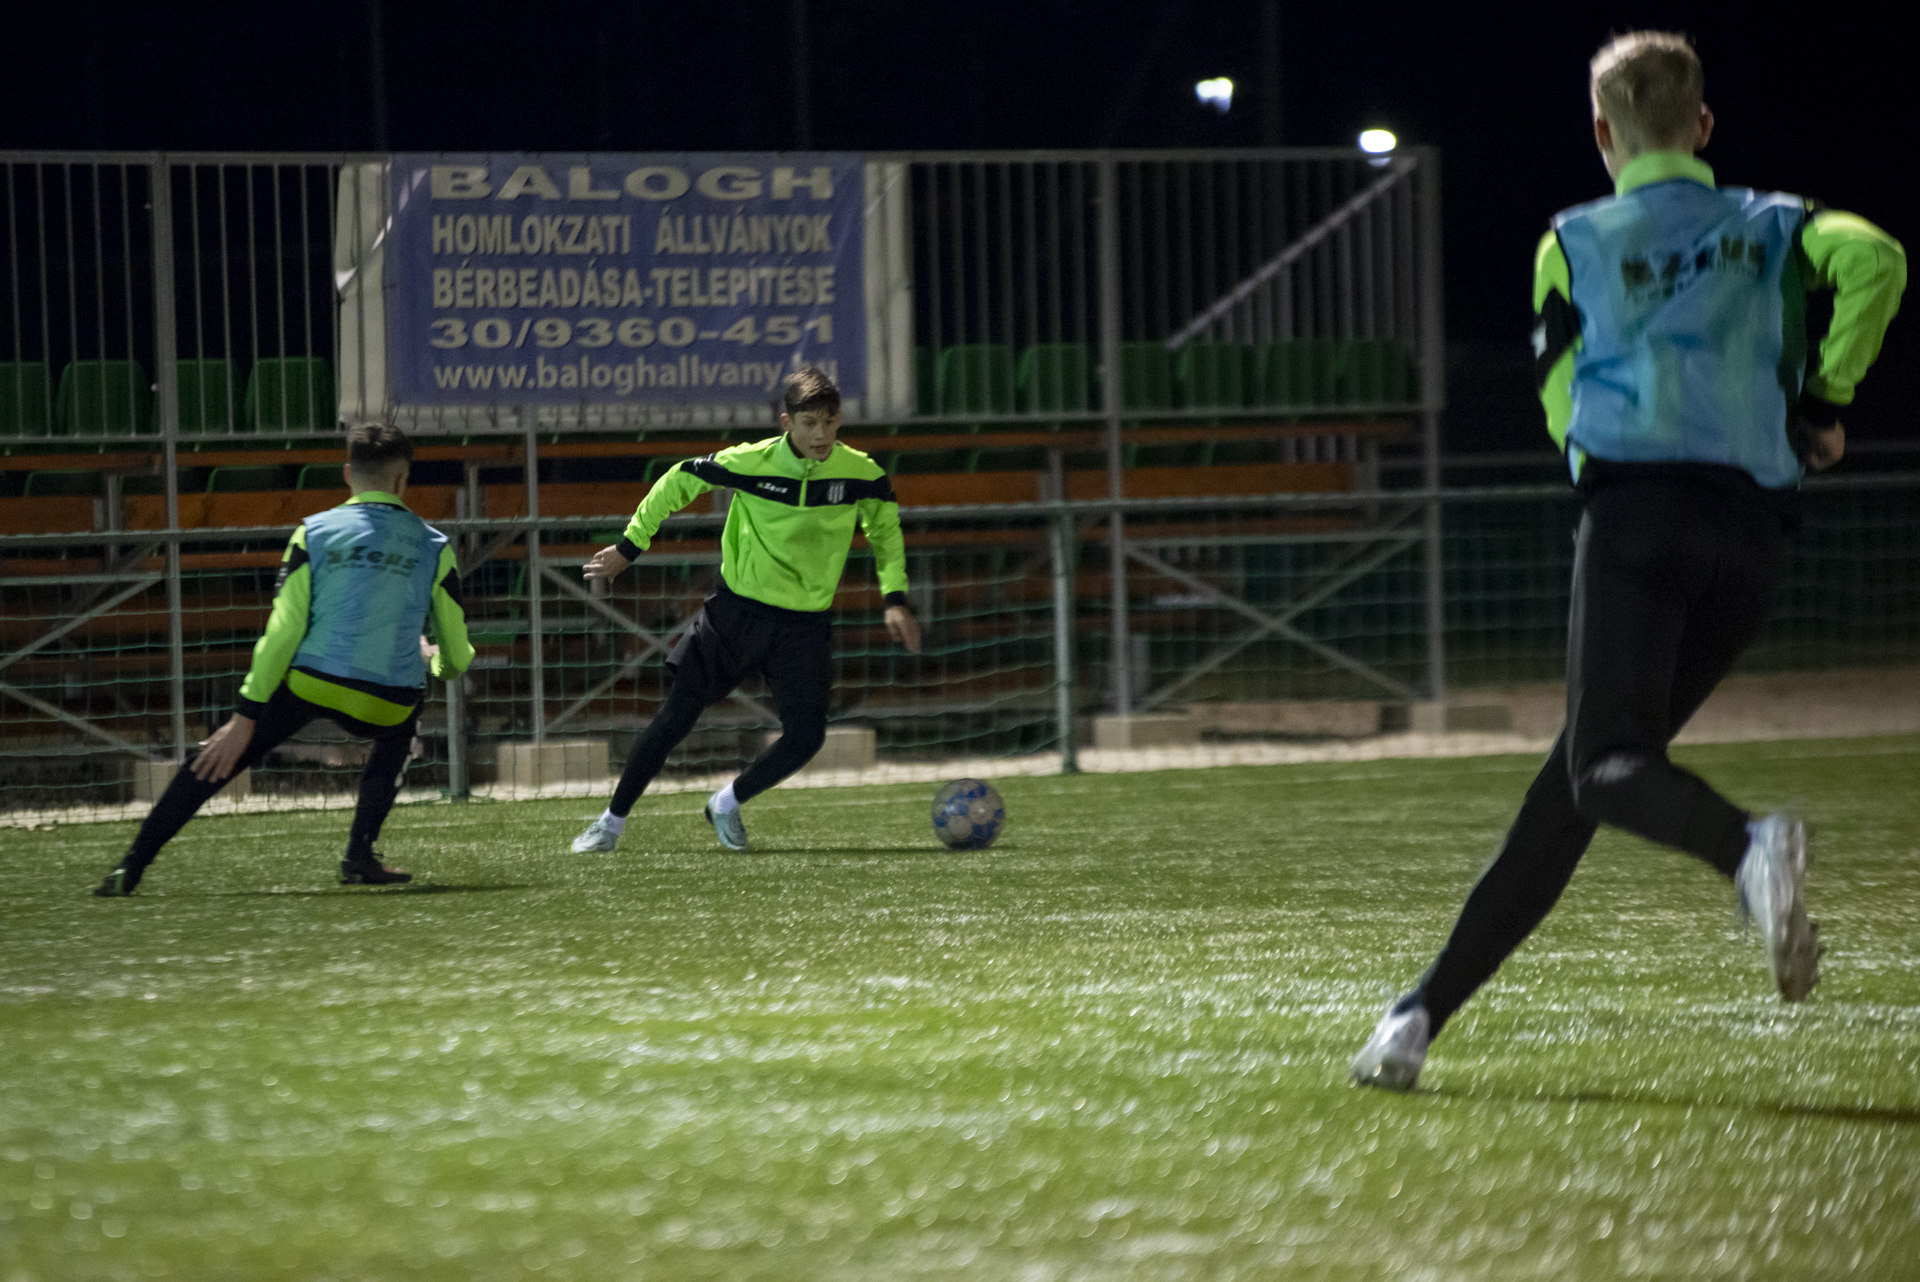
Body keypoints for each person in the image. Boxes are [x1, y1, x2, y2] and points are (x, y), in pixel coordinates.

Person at [1351, 31, 1907, 1090]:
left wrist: (1589, 460)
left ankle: (1748, 847)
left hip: (1638, 518)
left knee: (1602, 766)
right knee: (1587, 778)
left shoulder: (1571, 240)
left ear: (1602, 133)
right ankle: (1417, 1017)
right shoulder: (1780, 222)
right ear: (1704, 125)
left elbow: (1561, 389)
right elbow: (1878, 260)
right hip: (1751, 540)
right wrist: (1823, 399)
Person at [94, 424, 473, 895]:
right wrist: (432, 662)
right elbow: (457, 655)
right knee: (401, 726)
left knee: (216, 757)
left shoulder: (313, 533)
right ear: (403, 479)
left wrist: (245, 716)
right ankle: (359, 854)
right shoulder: (435, 546)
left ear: (348, 474)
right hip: (388, 700)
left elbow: (283, 630)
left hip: (313, 681)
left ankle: (130, 866)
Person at [569, 368, 920, 854]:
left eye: (829, 421)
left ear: (839, 420)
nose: (821, 434)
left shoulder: (864, 475)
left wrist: (895, 598)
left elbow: (885, 533)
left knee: (807, 737)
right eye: (809, 423)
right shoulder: (752, 462)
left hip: (804, 625)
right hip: (735, 616)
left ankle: (726, 803)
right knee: (675, 718)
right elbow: (679, 478)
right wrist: (630, 547)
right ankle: (610, 824)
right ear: (787, 423)